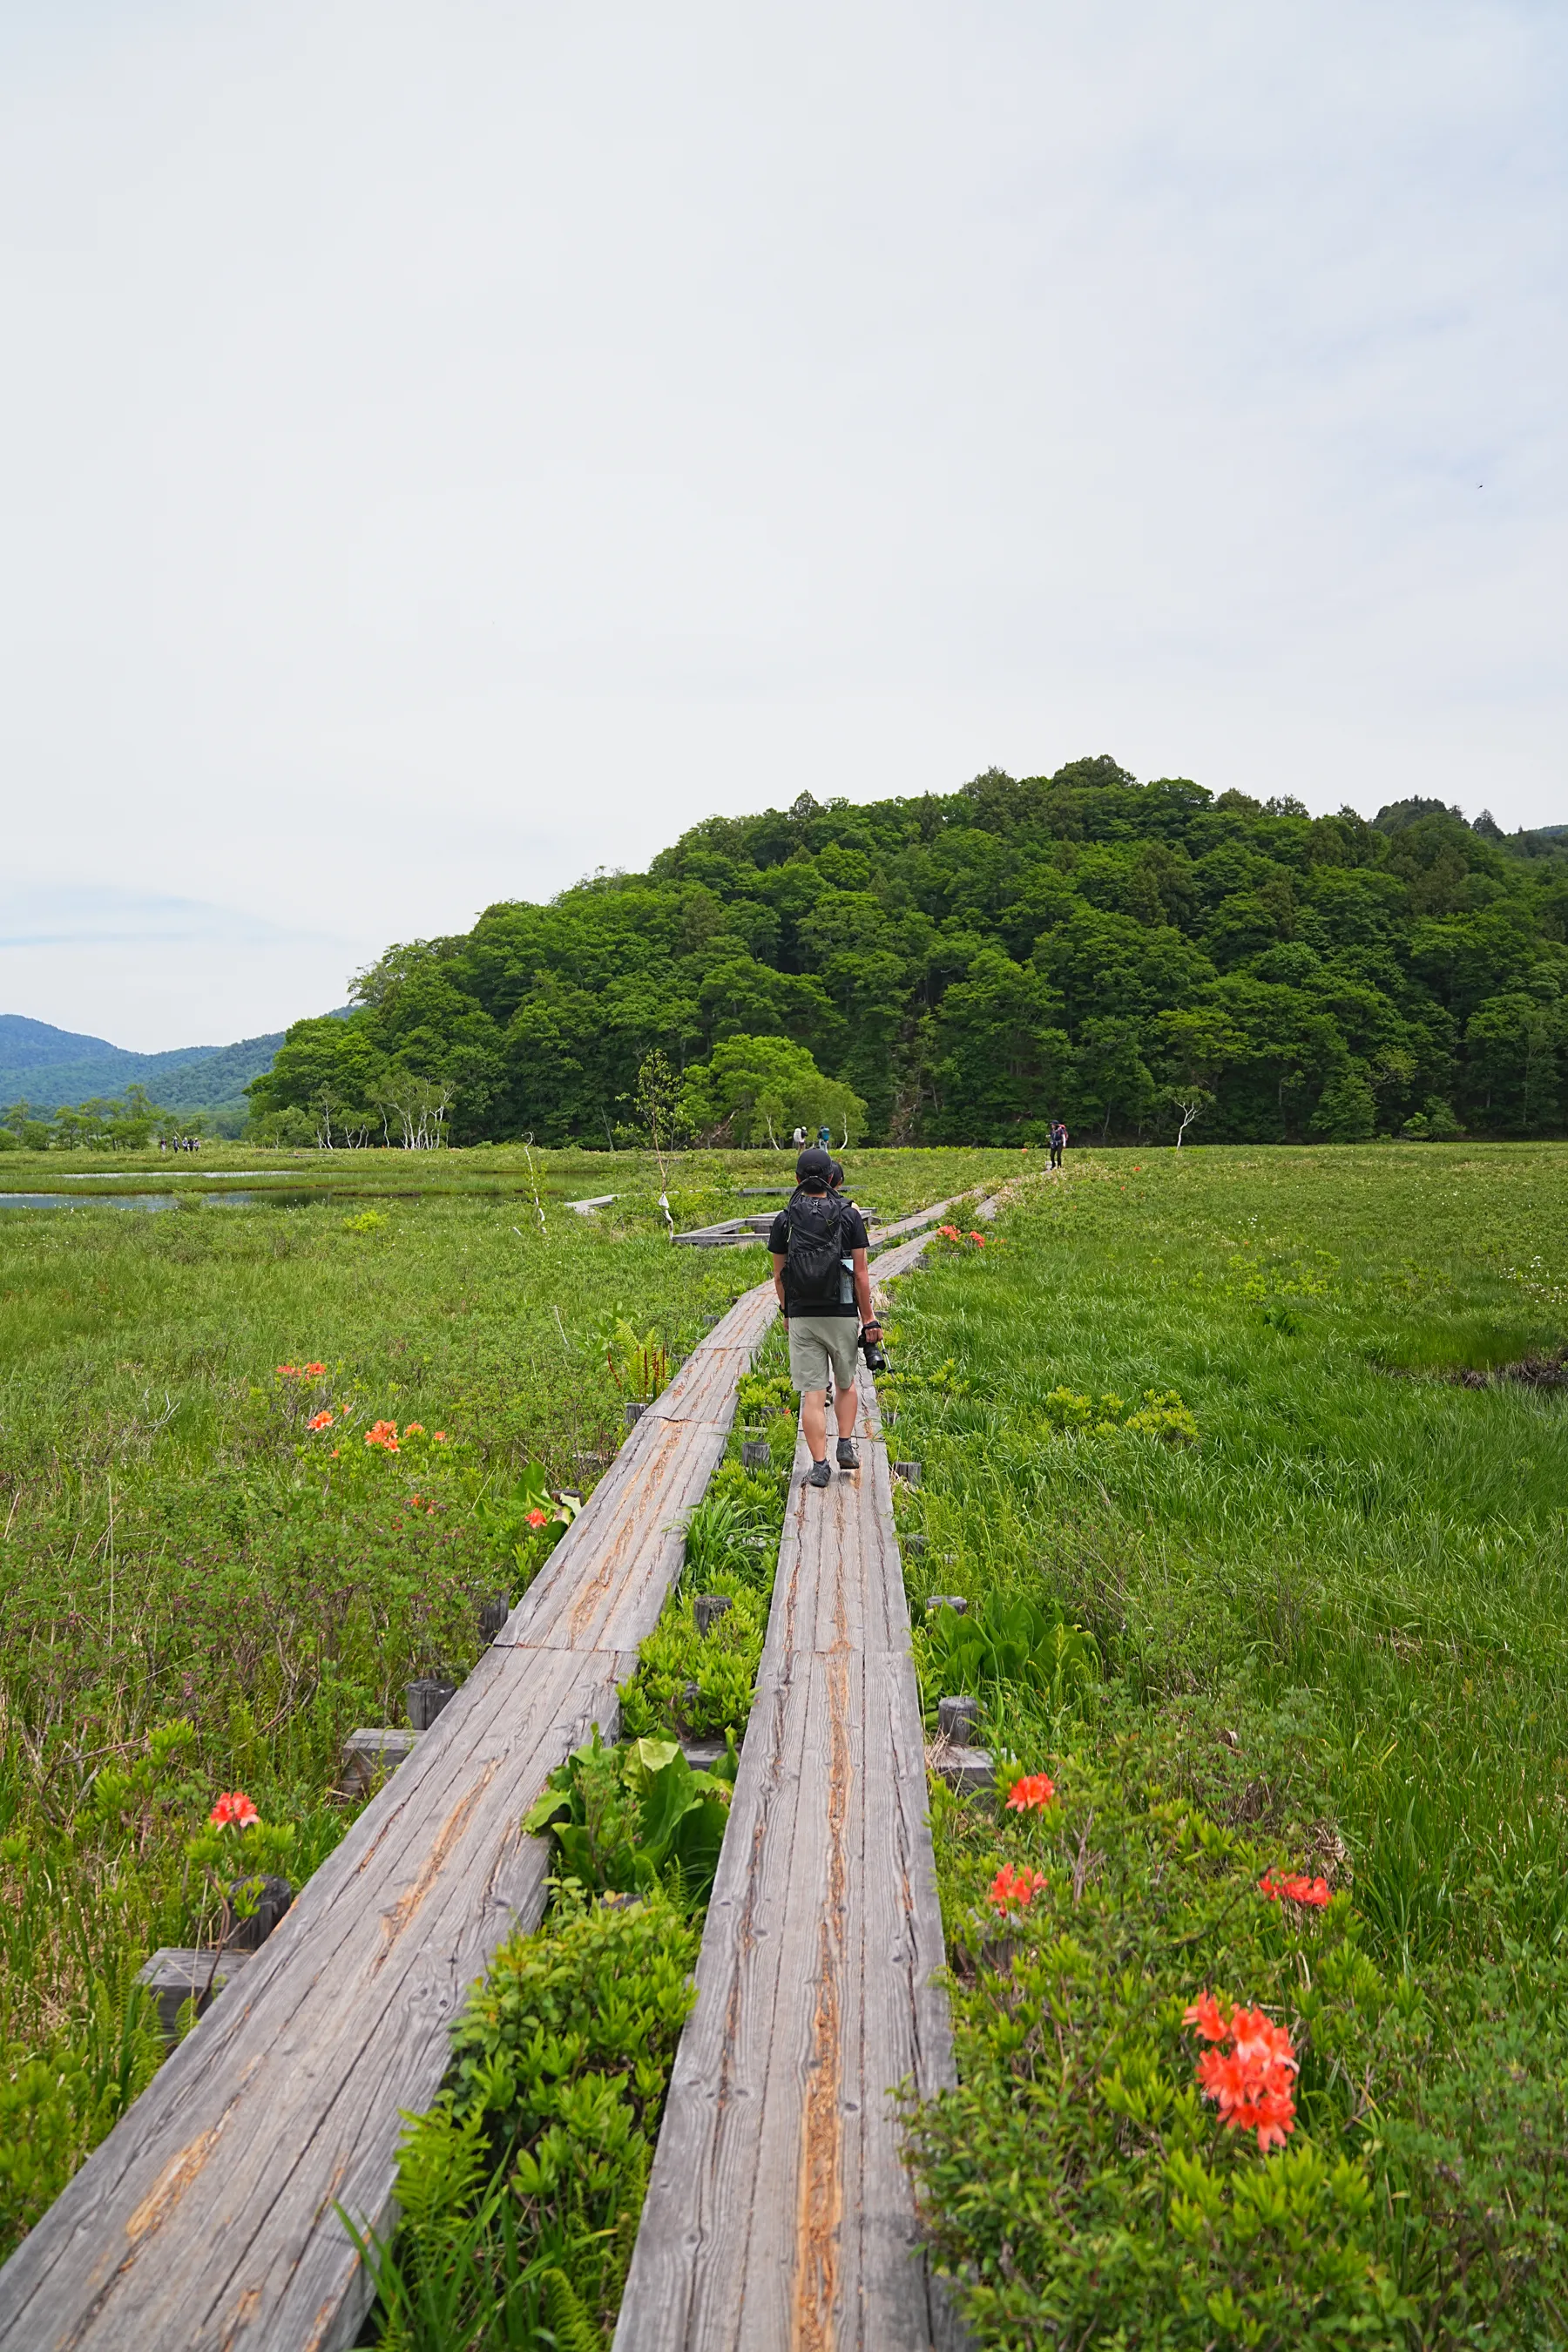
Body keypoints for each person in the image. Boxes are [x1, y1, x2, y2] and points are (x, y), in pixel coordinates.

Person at [770, 1146, 882, 1489]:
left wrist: (789, 1312)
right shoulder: (849, 1215)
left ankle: (819, 1466)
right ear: (832, 1176)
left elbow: (779, 1275)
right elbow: (861, 1274)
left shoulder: (785, 1218)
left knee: (814, 1393)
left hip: (804, 1314)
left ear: (797, 1178)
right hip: (843, 1309)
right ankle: (845, 1443)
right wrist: (869, 1319)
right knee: (846, 1384)